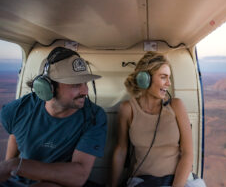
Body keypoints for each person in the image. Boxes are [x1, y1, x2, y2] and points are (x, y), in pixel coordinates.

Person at [0, 47, 107, 187]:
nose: (85, 91)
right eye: (76, 84)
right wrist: (10, 168)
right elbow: (16, 135)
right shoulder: (16, 110)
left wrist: (16, 166)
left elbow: (78, 175)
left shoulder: (93, 116)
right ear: (47, 87)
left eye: (85, 83)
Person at [111, 52, 197, 187]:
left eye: (169, 78)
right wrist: (112, 185)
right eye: (163, 77)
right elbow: (121, 150)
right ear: (144, 79)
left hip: (179, 181)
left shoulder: (176, 106)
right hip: (143, 182)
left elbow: (188, 153)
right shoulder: (128, 109)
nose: (168, 83)